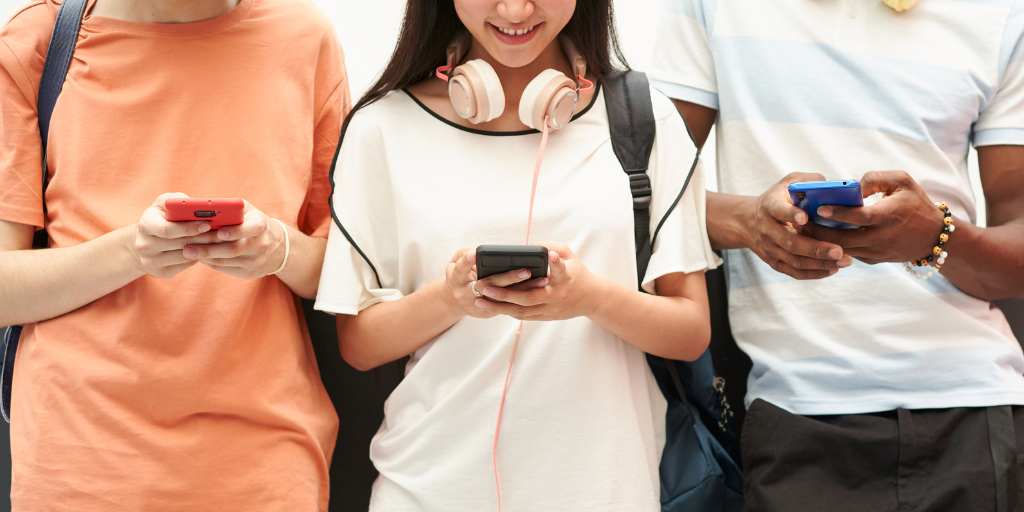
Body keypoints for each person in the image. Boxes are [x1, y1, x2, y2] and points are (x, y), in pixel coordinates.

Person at [313, 1, 719, 510]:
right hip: (426, 489)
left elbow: (689, 331)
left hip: (606, 491)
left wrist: (590, 297)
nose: (514, 9)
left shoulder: (643, 119)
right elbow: (360, 344)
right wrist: (452, 297)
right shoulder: (381, 128)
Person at [650, 1, 1024, 510]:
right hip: (794, 416)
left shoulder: (999, 14)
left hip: (973, 413)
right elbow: (644, 196)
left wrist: (937, 237)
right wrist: (750, 224)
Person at [0, 0, 347, 509]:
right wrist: (132, 252)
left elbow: (346, 275)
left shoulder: (303, 37)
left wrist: (277, 249)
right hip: (79, 459)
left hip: (263, 459)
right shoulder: (38, 40)